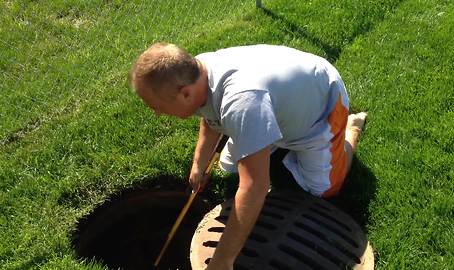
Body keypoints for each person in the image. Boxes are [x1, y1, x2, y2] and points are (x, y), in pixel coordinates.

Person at [130, 43, 367, 270]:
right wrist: (198, 164)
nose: (157, 114)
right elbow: (210, 117)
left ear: (185, 94)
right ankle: (268, 134)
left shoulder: (242, 101)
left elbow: (254, 187)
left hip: (321, 107)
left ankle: (348, 131)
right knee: (229, 165)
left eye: (156, 106)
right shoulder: (196, 72)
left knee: (322, 189)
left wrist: (223, 260)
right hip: (273, 107)